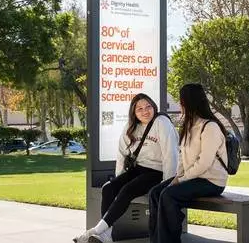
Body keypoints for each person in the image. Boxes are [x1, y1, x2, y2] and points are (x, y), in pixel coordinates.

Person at [74, 93, 178, 243]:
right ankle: (107, 234)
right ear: (134, 113)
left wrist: (166, 184)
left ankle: (96, 231)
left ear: (154, 107)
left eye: (148, 106)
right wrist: (118, 179)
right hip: (139, 169)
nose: (145, 111)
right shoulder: (131, 126)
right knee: (108, 188)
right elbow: (122, 154)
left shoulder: (161, 122)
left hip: (158, 172)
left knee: (127, 190)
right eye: (140, 109)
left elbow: (171, 154)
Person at [148, 83, 229, 243]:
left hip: (211, 181)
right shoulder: (188, 125)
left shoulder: (210, 126)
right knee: (155, 193)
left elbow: (204, 162)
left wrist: (182, 180)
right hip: (192, 178)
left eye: (181, 101)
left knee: (169, 195)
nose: (180, 104)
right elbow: (182, 157)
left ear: (188, 102)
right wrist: (177, 177)